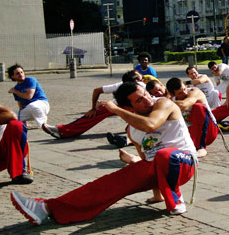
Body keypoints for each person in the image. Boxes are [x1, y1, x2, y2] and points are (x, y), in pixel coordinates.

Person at [11, 82, 199, 225]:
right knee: (108, 183)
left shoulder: (163, 103)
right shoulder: (132, 131)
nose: (148, 99)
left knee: (165, 155)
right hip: (157, 168)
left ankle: (174, 198)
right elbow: (146, 159)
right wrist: (156, 193)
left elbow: (150, 125)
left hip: (183, 162)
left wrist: (114, 109)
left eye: (145, 94)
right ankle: (48, 209)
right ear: (129, 109)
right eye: (140, 100)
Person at [41, 70, 144, 140]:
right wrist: (94, 108)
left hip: (145, 111)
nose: (142, 79)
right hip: (127, 107)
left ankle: (132, 131)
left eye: (141, 78)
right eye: (140, 77)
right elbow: (97, 90)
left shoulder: (146, 86)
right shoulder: (121, 86)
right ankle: (63, 131)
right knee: (101, 111)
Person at [164, 78, 218, 158]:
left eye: (184, 89)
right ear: (173, 95)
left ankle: (201, 147)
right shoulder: (171, 99)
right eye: (180, 93)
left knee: (197, 107)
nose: (185, 93)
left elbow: (184, 105)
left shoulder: (194, 92)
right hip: (189, 133)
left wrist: (165, 103)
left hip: (209, 130)